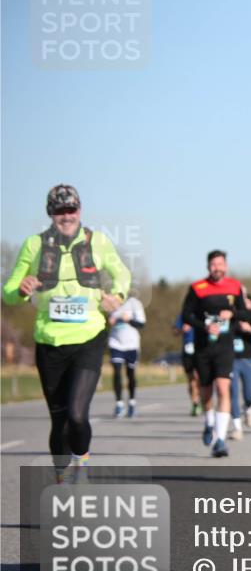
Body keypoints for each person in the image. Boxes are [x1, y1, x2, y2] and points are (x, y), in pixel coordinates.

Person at [2, 185, 131, 483]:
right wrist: (20, 290)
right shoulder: (34, 245)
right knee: (59, 421)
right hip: (49, 341)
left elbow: (122, 273)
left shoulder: (97, 241)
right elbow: (8, 291)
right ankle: (61, 476)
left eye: (71, 209)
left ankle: (81, 470)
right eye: (60, 211)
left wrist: (118, 295)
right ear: (50, 214)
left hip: (89, 337)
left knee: (76, 414)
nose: (66, 216)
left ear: (80, 210)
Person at [181, 250, 248, 458]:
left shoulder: (235, 286)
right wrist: (204, 326)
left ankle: (220, 440)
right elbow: (186, 315)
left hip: (225, 347)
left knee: (223, 388)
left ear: (225, 266)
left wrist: (233, 313)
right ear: (208, 267)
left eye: (220, 264)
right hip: (203, 348)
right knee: (207, 393)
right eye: (213, 265)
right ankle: (209, 422)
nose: (216, 268)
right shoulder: (197, 288)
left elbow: (247, 313)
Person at [108, 289, 146, 418]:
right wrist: (108, 321)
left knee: (130, 374)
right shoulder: (111, 302)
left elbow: (141, 324)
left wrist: (128, 319)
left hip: (131, 344)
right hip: (115, 343)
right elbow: (105, 320)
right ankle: (119, 404)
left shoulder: (135, 303)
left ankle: (132, 403)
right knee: (117, 371)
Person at [229, 287, 251, 438]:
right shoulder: (227, 314)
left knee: (249, 393)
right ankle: (237, 427)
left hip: (248, 359)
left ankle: (248, 408)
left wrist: (250, 330)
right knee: (232, 393)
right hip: (230, 360)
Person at [173, 313, 202, 416]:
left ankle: (201, 398)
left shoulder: (204, 310)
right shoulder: (183, 315)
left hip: (202, 349)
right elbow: (175, 331)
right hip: (188, 351)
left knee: (199, 378)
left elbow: (220, 321)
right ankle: (195, 403)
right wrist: (182, 329)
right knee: (191, 380)